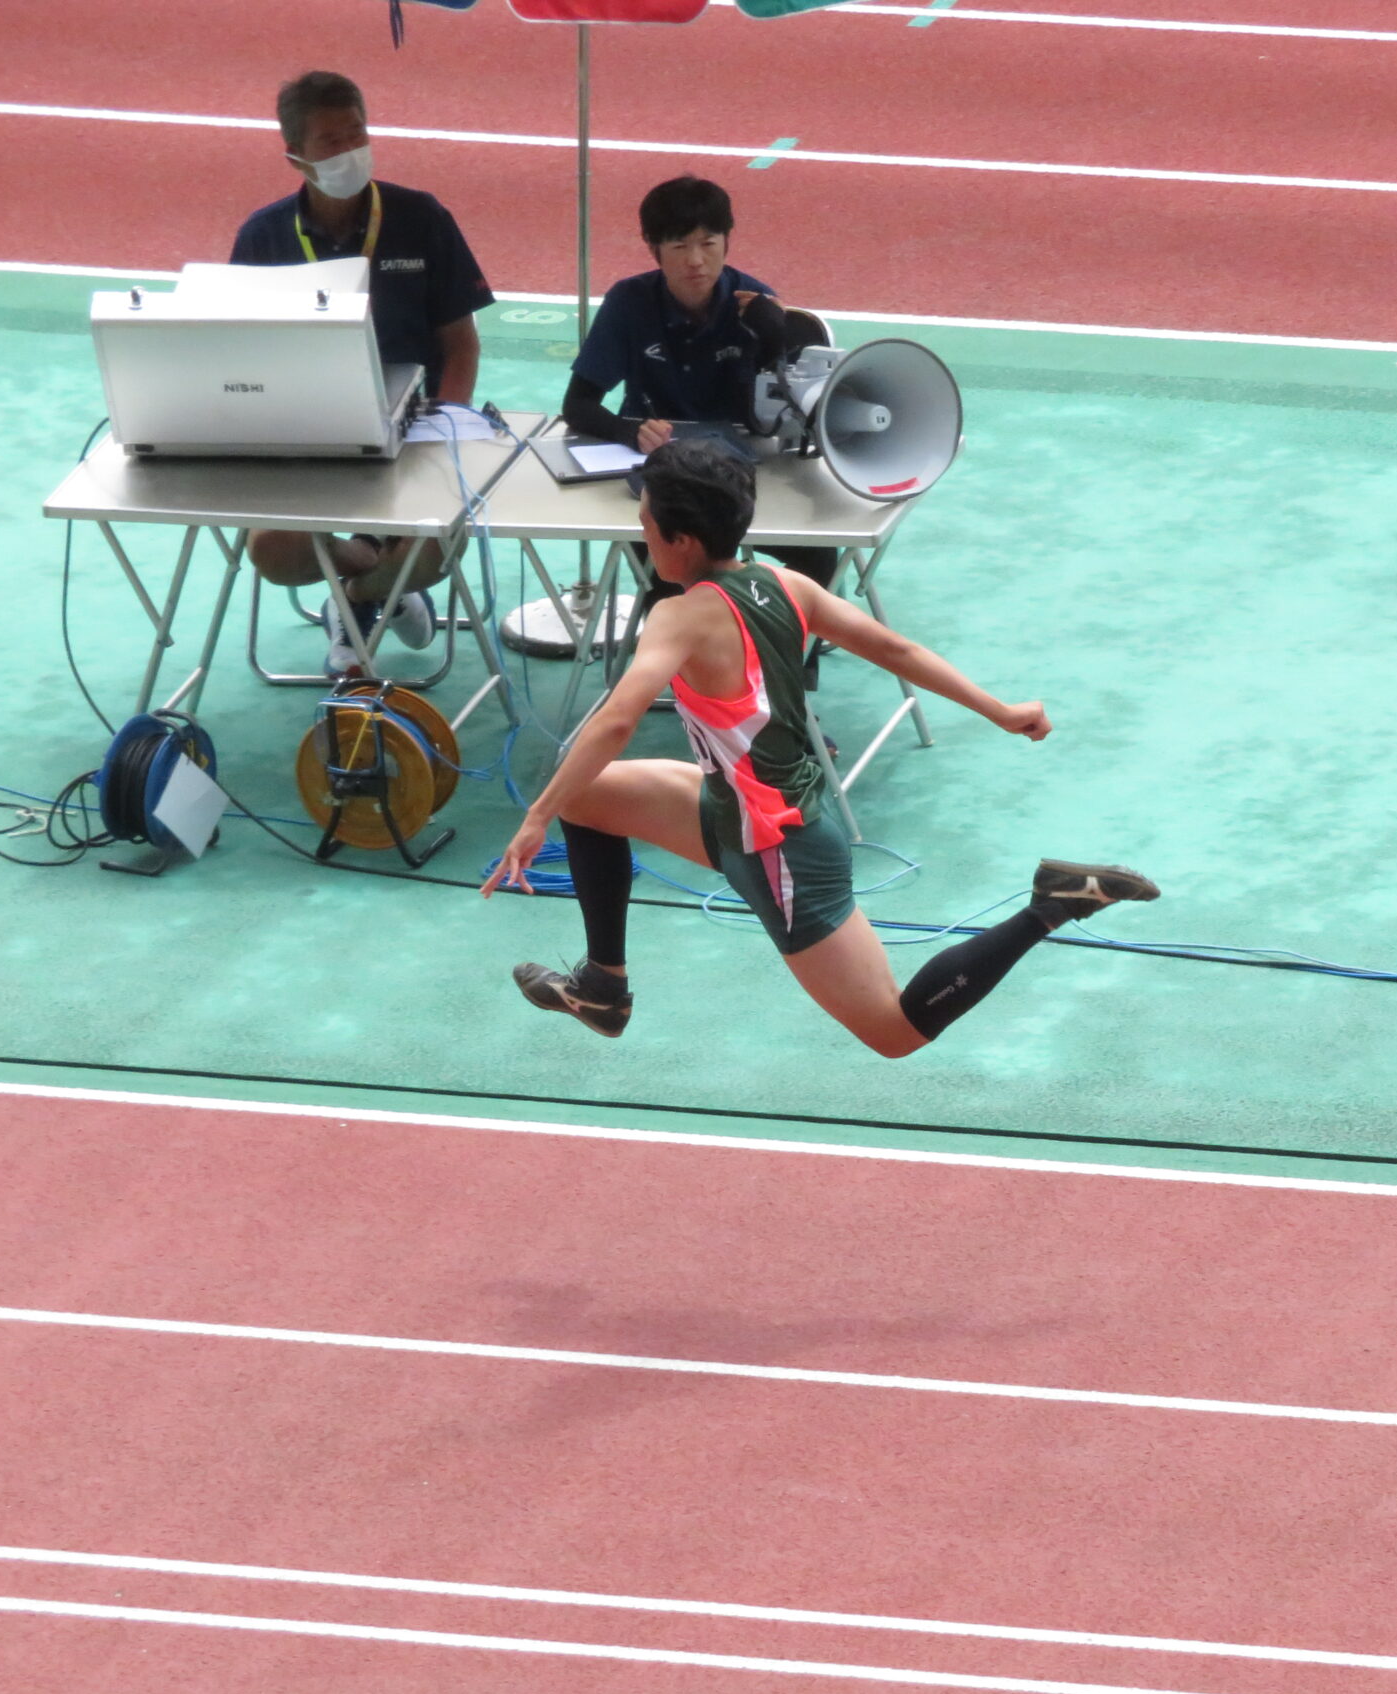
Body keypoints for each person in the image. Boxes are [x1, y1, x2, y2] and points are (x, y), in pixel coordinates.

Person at [483, 439, 1157, 1052]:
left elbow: (615, 722)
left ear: (680, 540)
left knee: (894, 1031)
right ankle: (604, 988)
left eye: (645, 523)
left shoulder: (679, 617)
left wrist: (535, 816)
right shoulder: (787, 584)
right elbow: (896, 649)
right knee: (588, 797)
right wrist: (1000, 711)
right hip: (736, 809)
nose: (642, 533)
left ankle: (1052, 905)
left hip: (780, 849)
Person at [229, 71, 495, 676]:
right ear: (296, 156)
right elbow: (239, 357)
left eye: (357, 133)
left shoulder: (422, 217)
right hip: (303, 434)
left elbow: (461, 346)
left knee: (434, 548)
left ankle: (355, 600)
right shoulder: (262, 237)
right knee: (272, 552)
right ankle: (376, 575)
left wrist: (447, 426)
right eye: (331, 141)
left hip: (413, 428)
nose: (350, 150)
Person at [562, 175, 837, 590]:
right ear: (654, 248)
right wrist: (630, 431)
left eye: (708, 243)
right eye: (679, 246)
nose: (695, 260)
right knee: (667, 585)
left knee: (818, 555)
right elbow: (577, 404)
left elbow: (796, 414)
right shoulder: (629, 303)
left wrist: (774, 337)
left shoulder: (757, 303)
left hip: (748, 471)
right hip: (662, 477)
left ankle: (783, 632)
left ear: (727, 242)